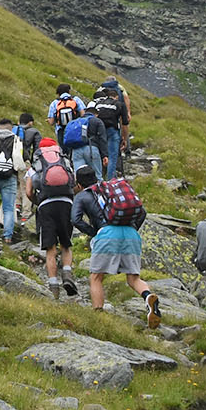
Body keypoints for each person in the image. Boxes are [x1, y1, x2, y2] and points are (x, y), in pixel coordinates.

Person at [72, 166, 158, 327]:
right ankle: (148, 297)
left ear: (78, 184)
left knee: (96, 277)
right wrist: (132, 230)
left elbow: (75, 219)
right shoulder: (109, 191)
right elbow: (143, 213)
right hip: (131, 234)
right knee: (133, 278)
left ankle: (98, 315)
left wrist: (95, 233)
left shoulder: (83, 195)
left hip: (107, 234)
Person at [28, 137, 78, 298]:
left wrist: (38, 201)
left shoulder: (36, 163)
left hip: (46, 205)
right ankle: (68, 275)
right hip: (66, 203)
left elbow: (29, 191)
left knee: (50, 249)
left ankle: (53, 286)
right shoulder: (64, 160)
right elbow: (75, 184)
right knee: (66, 244)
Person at [88, 78, 131, 180]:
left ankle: (100, 176)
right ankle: (110, 181)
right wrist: (124, 139)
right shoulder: (119, 104)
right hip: (112, 130)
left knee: (101, 153)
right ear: (116, 97)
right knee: (112, 156)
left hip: (98, 130)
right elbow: (125, 124)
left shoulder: (99, 103)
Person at [61, 110, 106, 181]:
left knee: (79, 177)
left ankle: (81, 191)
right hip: (91, 148)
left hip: (76, 150)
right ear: (96, 114)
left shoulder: (75, 122)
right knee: (97, 175)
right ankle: (99, 191)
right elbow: (102, 139)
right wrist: (105, 155)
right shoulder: (96, 121)